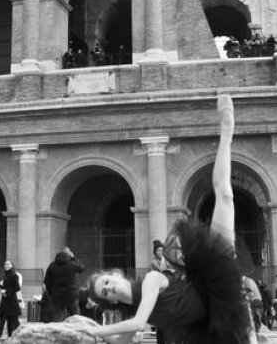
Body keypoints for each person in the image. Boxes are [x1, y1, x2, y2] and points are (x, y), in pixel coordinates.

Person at [72, 95, 254, 344]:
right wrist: (78, 329)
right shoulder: (134, 308)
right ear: (110, 301)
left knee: (224, 193)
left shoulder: (151, 279)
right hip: (209, 316)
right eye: (105, 293)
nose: (108, 288)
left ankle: (226, 133)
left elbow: (137, 324)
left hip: (212, 278)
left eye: (106, 282)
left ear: (115, 275)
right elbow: (123, 340)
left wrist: (94, 331)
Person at [43, 246, 84, 321]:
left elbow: (46, 281)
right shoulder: (72, 264)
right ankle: (77, 329)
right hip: (71, 295)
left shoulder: (52, 266)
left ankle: (58, 331)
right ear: (69, 255)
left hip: (57, 296)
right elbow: (81, 268)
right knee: (76, 316)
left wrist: (51, 293)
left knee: (57, 317)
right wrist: (73, 257)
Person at [0, 259, 24, 338]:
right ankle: (8, 336)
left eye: (8, 264)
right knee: (7, 320)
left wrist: (6, 291)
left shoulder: (14, 276)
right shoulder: (6, 276)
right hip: (6, 300)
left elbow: (17, 288)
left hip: (12, 301)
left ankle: (18, 336)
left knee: (13, 321)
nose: (6, 266)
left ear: (12, 266)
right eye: (5, 264)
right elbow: (5, 287)